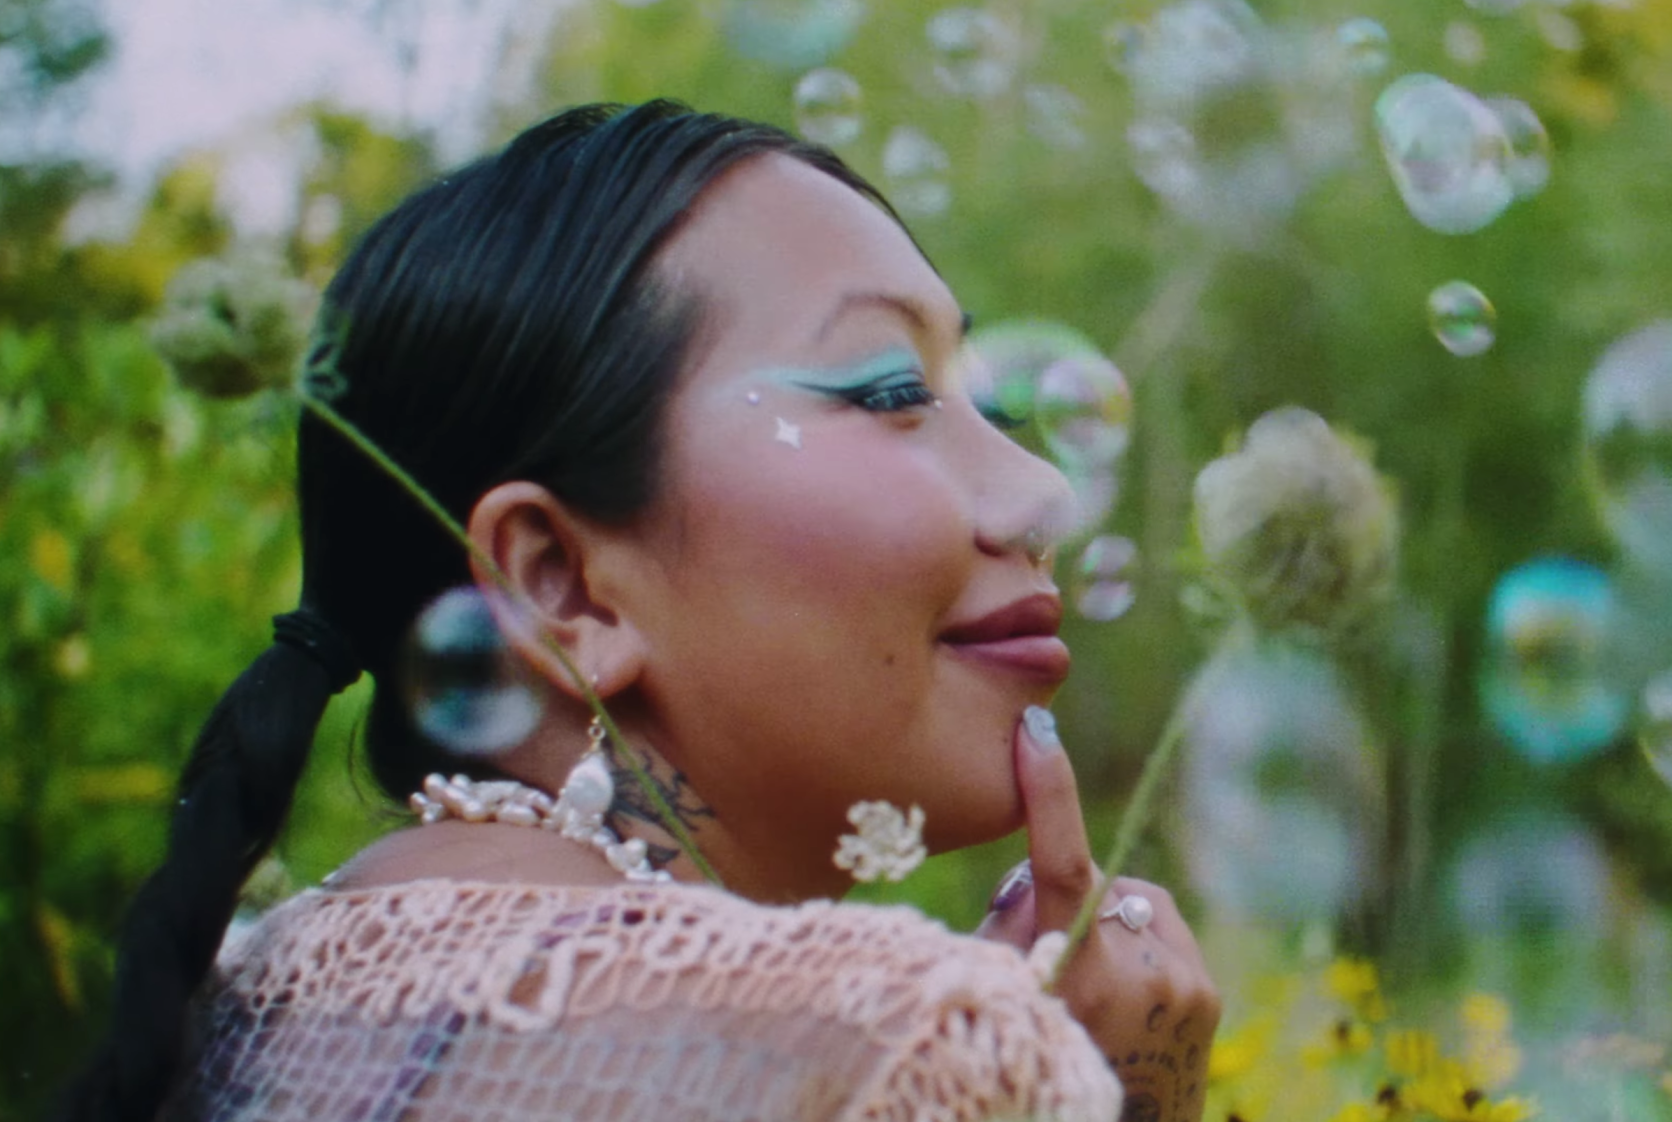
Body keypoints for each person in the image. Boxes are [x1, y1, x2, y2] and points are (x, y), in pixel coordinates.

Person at [56, 100, 1219, 1122]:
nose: (1043, 490)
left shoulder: (253, 984)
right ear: (557, 582)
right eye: (888, 390)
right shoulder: (890, 1052)